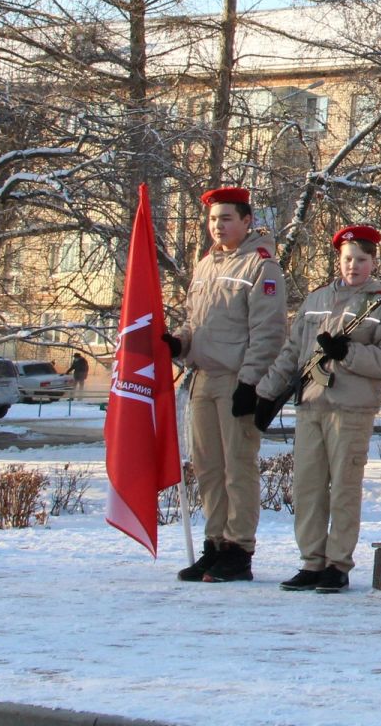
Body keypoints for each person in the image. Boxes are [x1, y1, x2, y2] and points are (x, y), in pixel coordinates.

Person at [257, 224, 381, 594]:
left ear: (373, 262)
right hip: (312, 404)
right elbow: (293, 352)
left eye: (361, 259)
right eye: (347, 259)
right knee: (307, 486)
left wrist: (349, 353)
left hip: (351, 408)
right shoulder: (315, 301)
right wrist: (264, 393)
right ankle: (311, 561)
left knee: (343, 487)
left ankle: (337, 563)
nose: (353, 266)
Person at [162, 186, 288, 583]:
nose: (218, 226)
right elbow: (194, 322)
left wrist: (250, 383)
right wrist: (178, 343)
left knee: (238, 467)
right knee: (207, 469)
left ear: (247, 221)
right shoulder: (205, 266)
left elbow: (267, 333)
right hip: (203, 378)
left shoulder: (261, 266)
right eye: (213, 219)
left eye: (227, 218)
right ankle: (215, 543)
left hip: (237, 379)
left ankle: (238, 549)